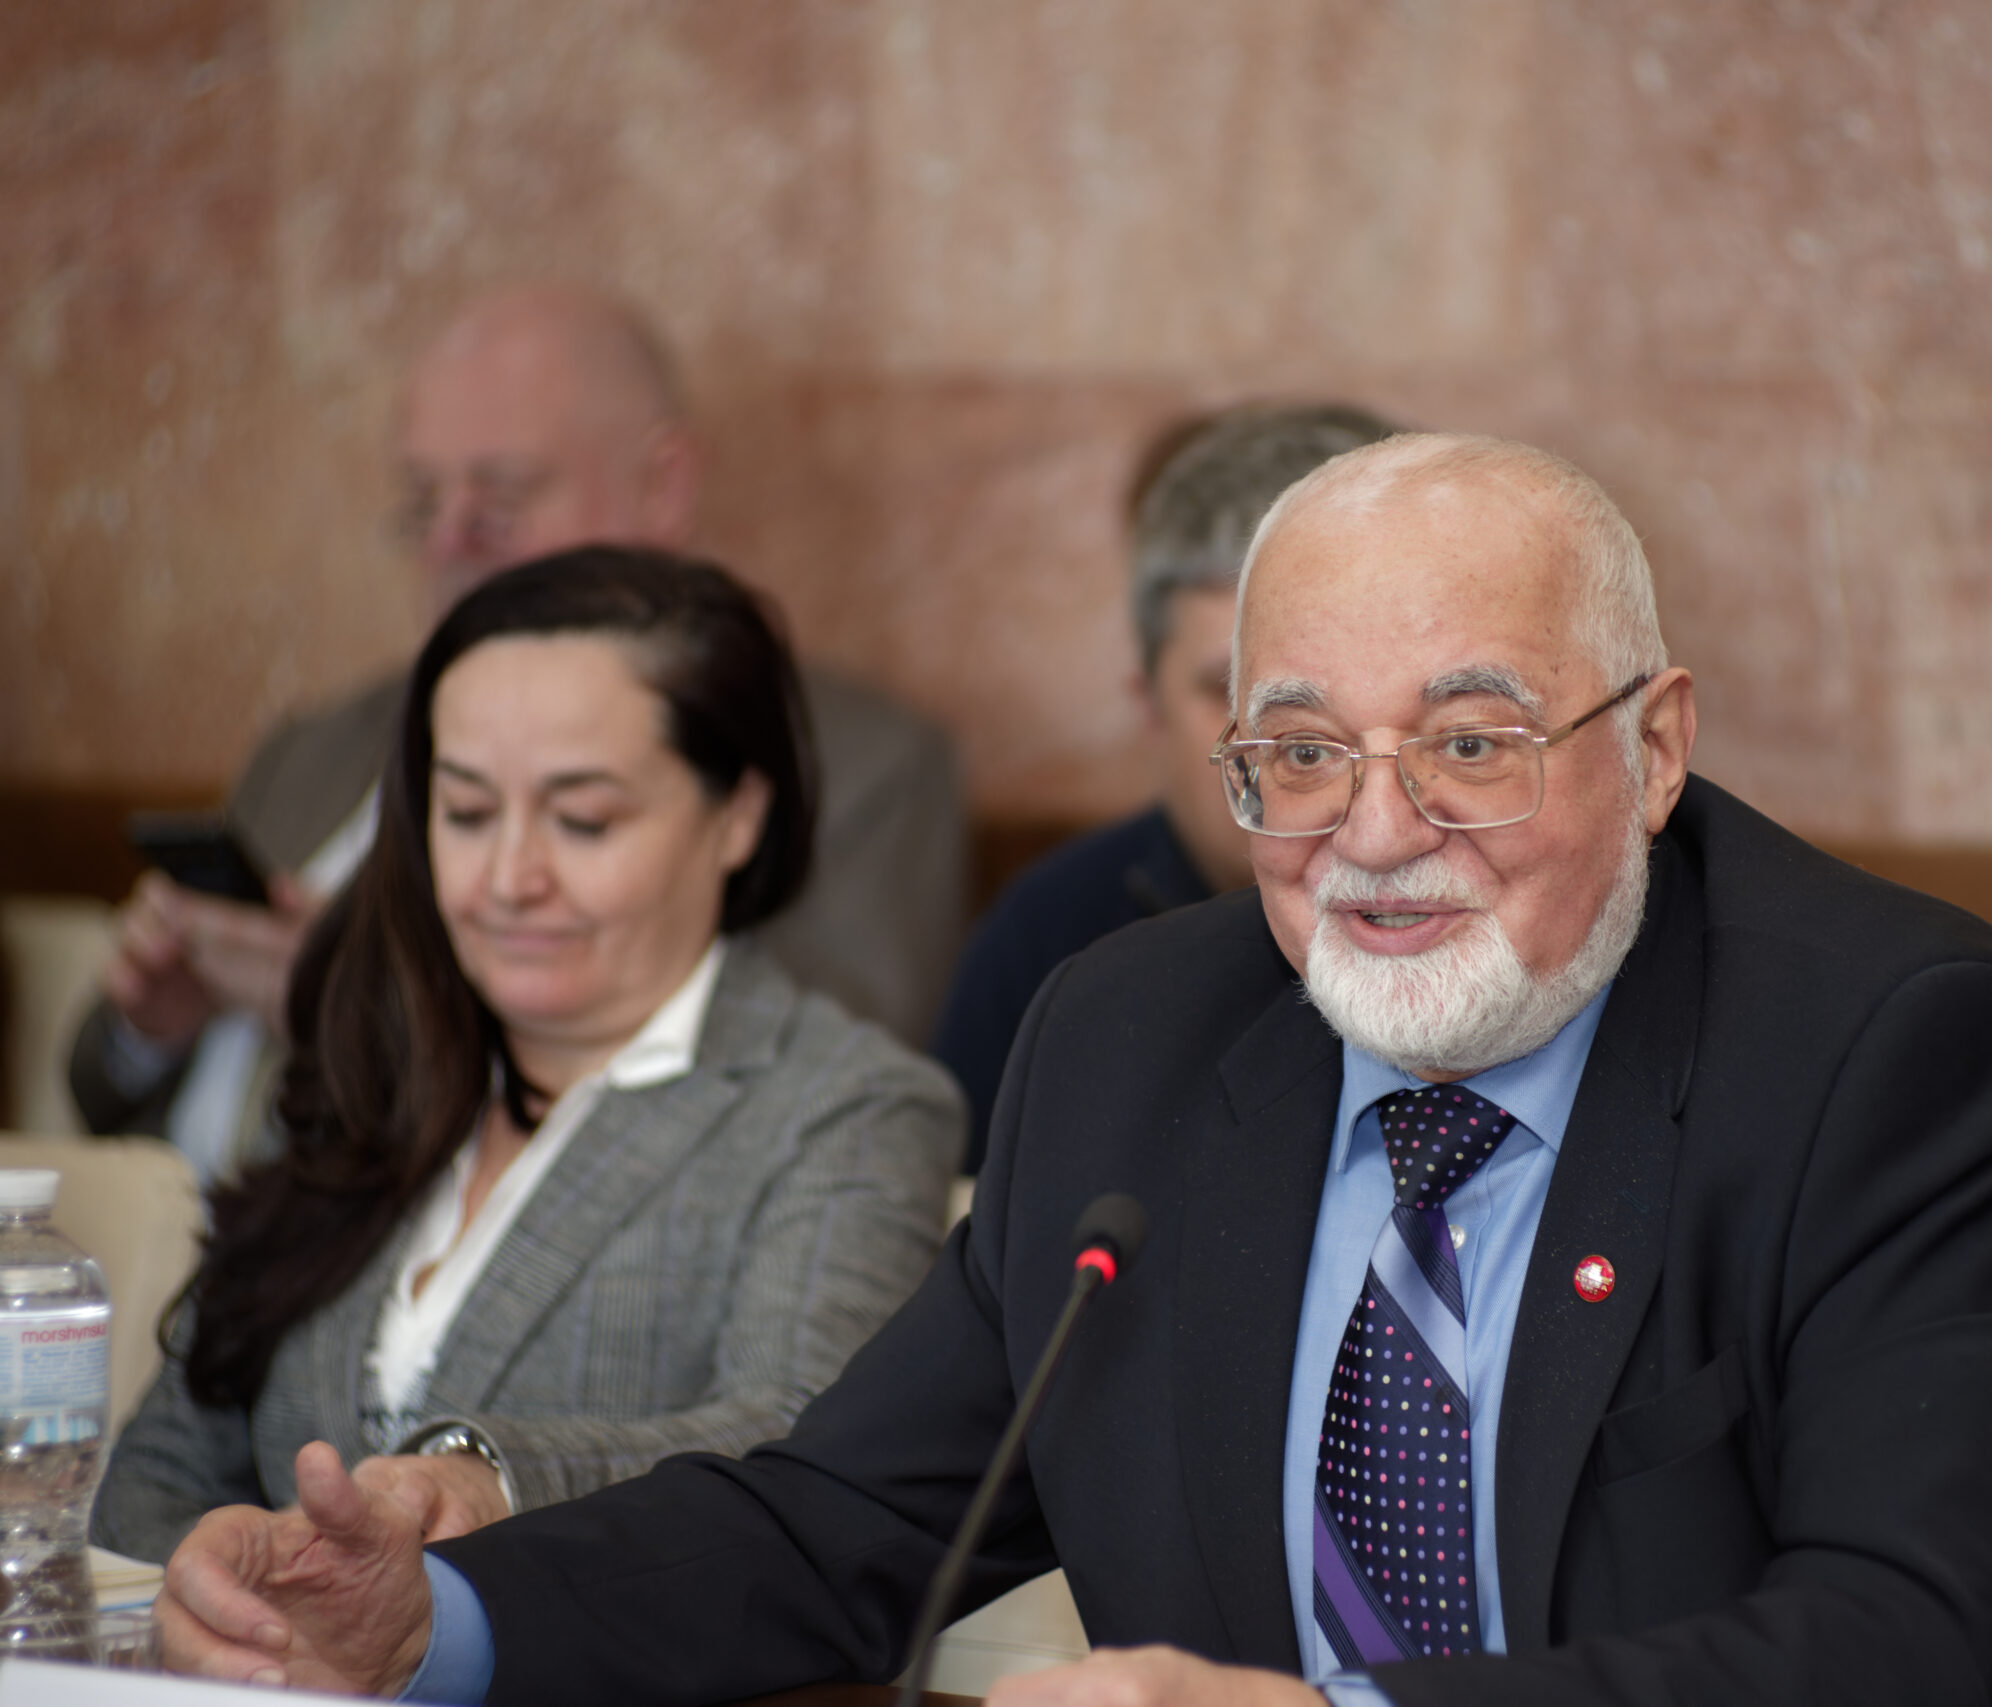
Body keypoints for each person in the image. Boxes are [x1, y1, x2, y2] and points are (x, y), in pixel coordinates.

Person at [157, 435, 1992, 1707]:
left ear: (1657, 746)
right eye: (1300, 753)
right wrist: (436, 1620)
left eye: (1470, 742)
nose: (1376, 833)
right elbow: (836, 1522)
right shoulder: (1131, 1039)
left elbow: (1907, 1637)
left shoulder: (1891, 1047)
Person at [94, 548, 961, 1565]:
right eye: (466, 813)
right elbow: (159, 1474)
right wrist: (241, 1599)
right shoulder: (369, 1060)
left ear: (738, 815)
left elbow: (798, 1453)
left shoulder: (845, 1105)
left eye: (582, 821)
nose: (509, 878)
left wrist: (488, 1481)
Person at [66, 283, 965, 1185]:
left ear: (663, 486)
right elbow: (91, 1088)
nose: (450, 541)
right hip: (151, 1237)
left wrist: (357, 1008)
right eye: (422, 502)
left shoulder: (858, 762)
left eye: (501, 497)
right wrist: (149, 1026)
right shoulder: (311, 748)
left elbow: (819, 1089)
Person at [933, 402, 1396, 1171]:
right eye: (1226, 689)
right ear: (1147, 703)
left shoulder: (1504, 906)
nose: (1282, 739)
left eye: (1319, 692)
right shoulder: (1048, 944)